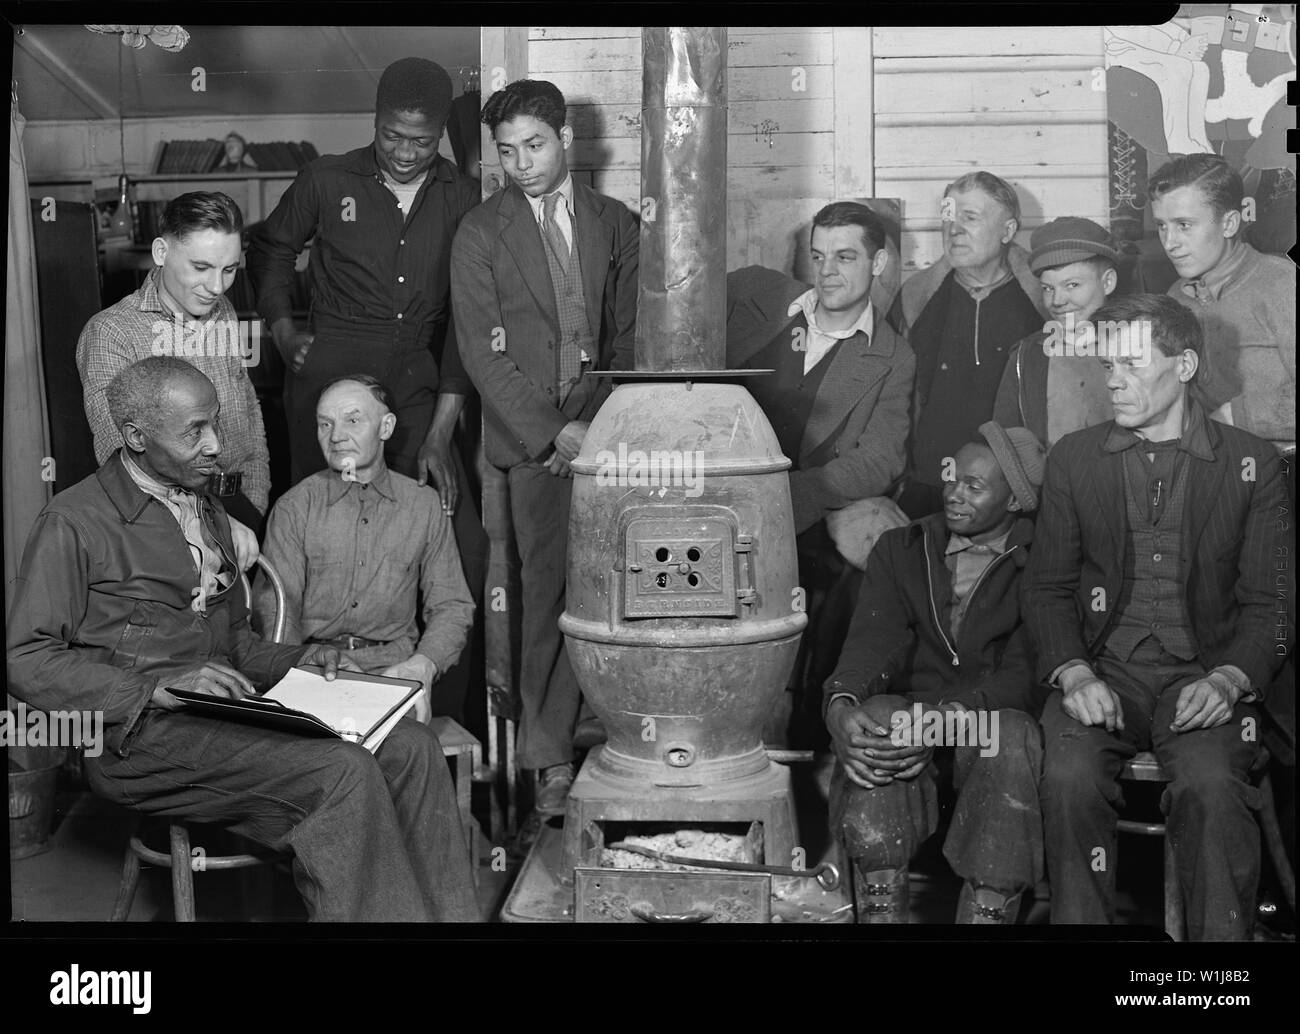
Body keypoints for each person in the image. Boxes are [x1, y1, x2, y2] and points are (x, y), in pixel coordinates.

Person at [6, 357, 479, 922]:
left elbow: (236, 648)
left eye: (215, 424)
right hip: (135, 739)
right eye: (194, 431)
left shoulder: (203, 504)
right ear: (135, 437)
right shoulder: (74, 521)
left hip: (220, 715)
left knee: (412, 749)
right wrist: (154, 686)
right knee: (341, 772)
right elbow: (24, 658)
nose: (215, 445)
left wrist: (303, 658)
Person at [1024, 294, 1291, 940]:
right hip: (1103, 671)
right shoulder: (1074, 459)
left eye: (1134, 364)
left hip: (1203, 675)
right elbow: (1047, 588)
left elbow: (1272, 604)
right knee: (1066, 773)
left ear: (1187, 365)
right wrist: (1073, 673)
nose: (1114, 378)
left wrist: (1229, 679)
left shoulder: (1251, 465)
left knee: (1211, 785)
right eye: (1108, 362)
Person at [247, 56, 487, 727]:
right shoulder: (325, 178)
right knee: (318, 538)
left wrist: (440, 433)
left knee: (456, 540)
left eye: (421, 140)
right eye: (391, 137)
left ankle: (435, 712)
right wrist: (282, 325)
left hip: (420, 385)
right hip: (328, 377)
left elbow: (469, 321)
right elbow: (271, 248)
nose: (405, 153)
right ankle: (308, 713)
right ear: (374, 123)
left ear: (441, 132)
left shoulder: (463, 199)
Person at [451, 78, 638, 815]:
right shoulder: (481, 231)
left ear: (567, 140)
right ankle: (550, 760)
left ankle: (617, 737)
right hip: (534, 446)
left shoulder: (616, 222)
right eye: (506, 152)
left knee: (615, 592)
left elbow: (625, 339)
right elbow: (480, 352)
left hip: (608, 435)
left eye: (534, 145)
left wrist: (594, 425)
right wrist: (552, 431)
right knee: (547, 597)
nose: (521, 163)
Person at [824, 422, 1046, 924]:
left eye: (974, 486)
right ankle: (880, 908)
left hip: (988, 720)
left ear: (1014, 502)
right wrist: (841, 705)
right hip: (914, 716)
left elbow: (1024, 676)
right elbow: (869, 646)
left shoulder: (1041, 561)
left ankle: (987, 911)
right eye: (953, 478)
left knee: (1010, 738)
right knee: (877, 723)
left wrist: (945, 720)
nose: (953, 494)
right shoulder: (904, 546)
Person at [725, 201, 915, 743]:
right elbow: (677, 302)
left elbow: (882, 457)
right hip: (710, 498)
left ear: (878, 264)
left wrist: (794, 497)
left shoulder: (892, 357)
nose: (827, 270)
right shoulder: (758, 296)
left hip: (802, 516)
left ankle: (795, 737)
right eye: (818, 255)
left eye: (845, 256)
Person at [253, 375, 474, 721]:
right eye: (325, 424)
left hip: (394, 672)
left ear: (386, 427)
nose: (337, 436)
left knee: (406, 749)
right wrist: (302, 670)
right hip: (317, 672)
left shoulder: (423, 506)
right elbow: (276, 611)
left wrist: (423, 664)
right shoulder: (295, 507)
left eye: (353, 420)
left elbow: (452, 605)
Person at [77, 190, 267, 562]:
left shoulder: (222, 310)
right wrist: (212, 522)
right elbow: (122, 461)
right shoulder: (112, 332)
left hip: (242, 510)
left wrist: (256, 497)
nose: (216, 286)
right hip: (170, 526)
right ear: (161, 253)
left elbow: (247, 407)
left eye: (229, 270)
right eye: (201, 267)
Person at [894, 172, 1045, 518]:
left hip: (1016, 496)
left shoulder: (1043, 301)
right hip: (929, 489)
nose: (954, 229)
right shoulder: (916, 298)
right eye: (948, 217)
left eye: (970, 217)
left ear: (1007, 232)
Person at [1150, 152, 1296, 452]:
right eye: (1162, 226)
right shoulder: (1174, 297)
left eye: (1184, 225)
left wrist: (1236, 415)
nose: (1170, 243)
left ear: (1229, 223)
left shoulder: (1282, 284)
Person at [993, 217, 1122, 448]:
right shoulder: (1027, 357)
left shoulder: (1141, 348)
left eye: (1072, 285)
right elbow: (1008, 444)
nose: (1057, 301)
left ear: (1108, 282)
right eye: (1048, 288)